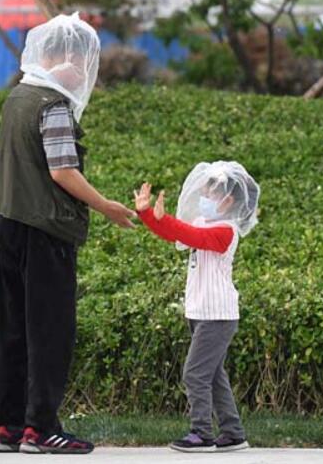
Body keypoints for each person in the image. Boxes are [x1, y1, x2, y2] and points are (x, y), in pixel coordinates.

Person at [0, 12, 135, 455]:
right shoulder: (51, 105)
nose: (83, 72)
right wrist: (106, 206)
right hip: (44, 229)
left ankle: (9, 427)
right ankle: (41, 429)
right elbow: (63, 171)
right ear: (62, 59)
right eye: (81, 62)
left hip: (7, 221)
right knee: (49, 330)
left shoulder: (18, 96)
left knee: (12, 326)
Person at [133, 161, 260, 453]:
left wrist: (164, 219)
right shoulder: (204, 222)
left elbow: (193, 237)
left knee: (195, 373)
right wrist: (147, 214)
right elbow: (175, 234)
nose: (204, 197)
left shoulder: (227, 230)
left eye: (210, 193)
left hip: (218, 315)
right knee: (213, 375)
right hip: (201, 310)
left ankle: (201, 433)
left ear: (228, 201)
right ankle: (233, 433)